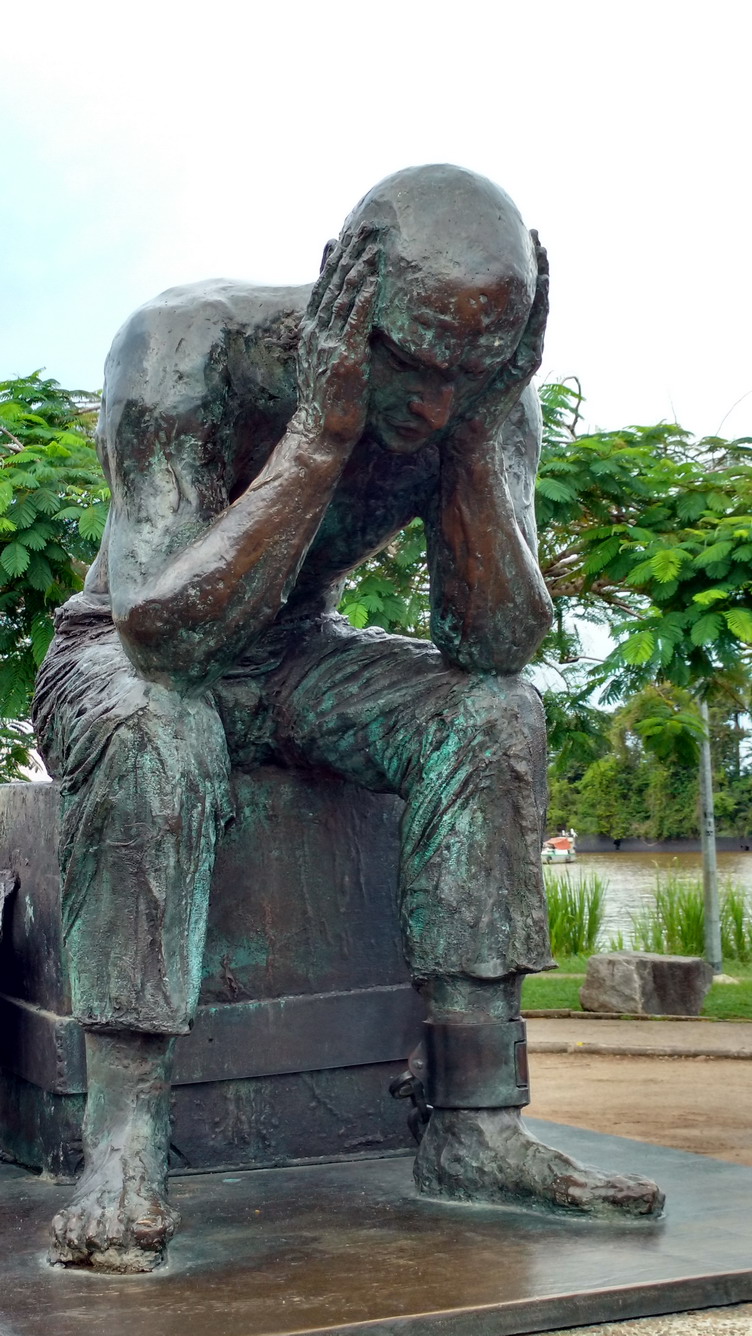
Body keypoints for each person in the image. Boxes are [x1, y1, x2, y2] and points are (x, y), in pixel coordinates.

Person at [33, 164, 663, 1273]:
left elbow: (496, 644)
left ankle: (475, 1124)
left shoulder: (475, 404)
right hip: (128, 647)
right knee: (151, 729)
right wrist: (318, 440)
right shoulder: (186, 349)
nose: (429, 403)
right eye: (411, 365)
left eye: (466, 377)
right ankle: (125, 1137)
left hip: (295, 661)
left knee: (493, 716)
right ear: (346, 297)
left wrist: (474, 439)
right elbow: (162, 635)